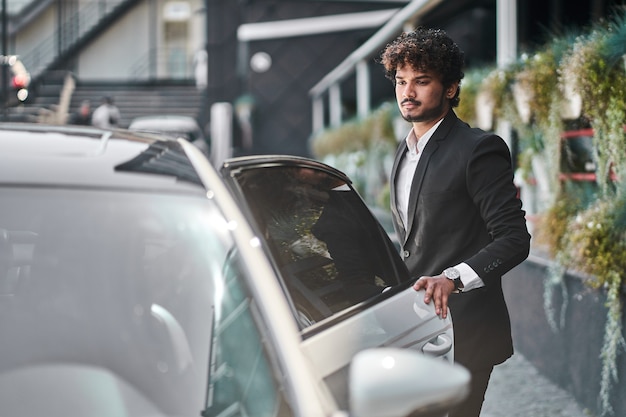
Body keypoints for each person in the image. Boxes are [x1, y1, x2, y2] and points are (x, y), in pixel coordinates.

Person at [379, 28, 531, 417]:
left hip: (466, 331)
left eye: (421, 81)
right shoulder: (404, 150)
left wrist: (454, 279)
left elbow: (514, 238)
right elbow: (415, 242)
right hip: (415, 330)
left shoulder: (478, 149)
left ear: (450, 88)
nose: (407, 92)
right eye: (401, 81)